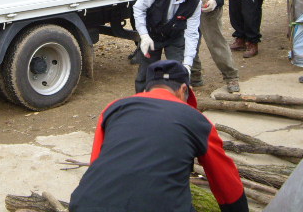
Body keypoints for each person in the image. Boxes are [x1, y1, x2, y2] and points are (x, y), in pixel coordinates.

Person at [69, 59, 249, 212]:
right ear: (183, 89)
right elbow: (226, 183)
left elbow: (96, 164)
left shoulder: (114, 108)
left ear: (147, 89)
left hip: (87, 204)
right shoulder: (197, 120)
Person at [132, 0, 204, 93]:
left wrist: (187, 63)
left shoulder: (196, 2)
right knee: (146, 73)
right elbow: (139, 9)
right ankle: (142, 102)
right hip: (152, 34)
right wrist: (144, 36)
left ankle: (175, 104)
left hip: (175, 37)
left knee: (178, 74)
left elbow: (192, 34)